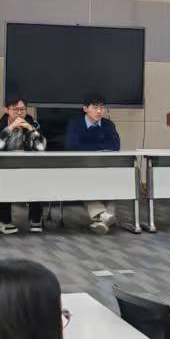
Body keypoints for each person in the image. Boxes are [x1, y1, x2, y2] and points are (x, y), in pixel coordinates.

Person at [0, 94, 49, 233]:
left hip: (27, 167)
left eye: (23, 109)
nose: (19, 113)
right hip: (1, 167)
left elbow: (41, 147)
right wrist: (10, 127)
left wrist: (31, 130)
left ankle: (35, 218)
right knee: (3, 180)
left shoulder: (33, 124)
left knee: (37, 177)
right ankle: (2, 220)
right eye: (15, 109)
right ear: (6, 110)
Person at [63, 94, 122, 234]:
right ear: (85, 109)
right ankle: (105, 215)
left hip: (104, 167)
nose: (99, 111)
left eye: (102, 107)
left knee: (116, 180)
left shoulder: (108, 125)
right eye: (95, 107)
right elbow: (71, 146)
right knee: (83, 183)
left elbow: (115, 146)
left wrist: (88, 146)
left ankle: (102, 218)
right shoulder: (75, 124)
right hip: (81, 167)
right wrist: (101, 147)